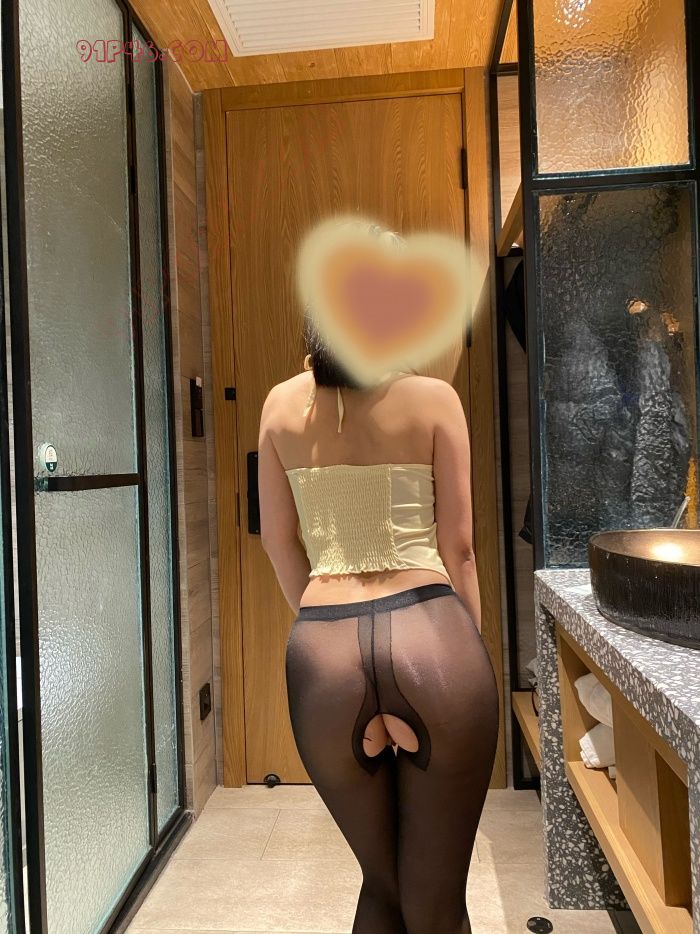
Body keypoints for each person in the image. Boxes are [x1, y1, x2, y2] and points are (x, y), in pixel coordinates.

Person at [258, 234, 500, 934]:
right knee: (437, 899)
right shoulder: (433, 399)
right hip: (431, 636)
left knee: (383, 886)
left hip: (323, 651)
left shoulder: (279, 407)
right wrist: (466, 652)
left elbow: (278, 541)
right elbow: (459, 549)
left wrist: (321, 622)